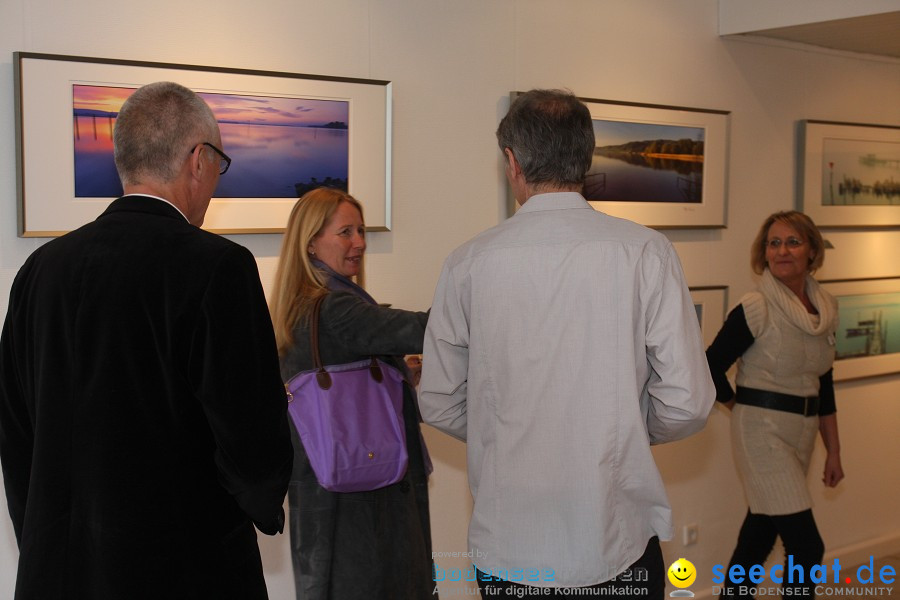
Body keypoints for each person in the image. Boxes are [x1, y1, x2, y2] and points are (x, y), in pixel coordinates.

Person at [0, 81, 293, 599]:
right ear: (198, 160)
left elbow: (17, 430)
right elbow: (250, 438)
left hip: (61, 570)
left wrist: (44, 537)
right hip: (181, 567)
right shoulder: (217, 267)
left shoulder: (40, 270)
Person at [418, 89, 715, 599]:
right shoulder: (645, 252)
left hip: (511, 544)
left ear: (511, 162)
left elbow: (440, 400)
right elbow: (687, 402)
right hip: (616, 532)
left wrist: (508, 437)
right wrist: (622, 432)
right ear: (585, 156)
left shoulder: (468, 262)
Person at [269, 187, 435, 599]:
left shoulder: (303, 303)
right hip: (361, 499)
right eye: (346, 232)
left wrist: (397, 374)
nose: (359, 241)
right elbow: (417, 328)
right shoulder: (335, 307)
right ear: (311, 242)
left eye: (360, 230)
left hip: (328, 487)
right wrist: (482, 302)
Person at [706, 210, 844, 600]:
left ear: (812, 251)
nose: (782, 250)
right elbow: (711, 367)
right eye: (774, 243)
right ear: (764, 254)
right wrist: (741, 406)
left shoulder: (826, 309)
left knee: (760, 533)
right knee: (807, 547)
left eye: (793, 242)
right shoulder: (756, 307)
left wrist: (834, 450)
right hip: (761, 435)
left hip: (801, 434)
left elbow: (825, 383)